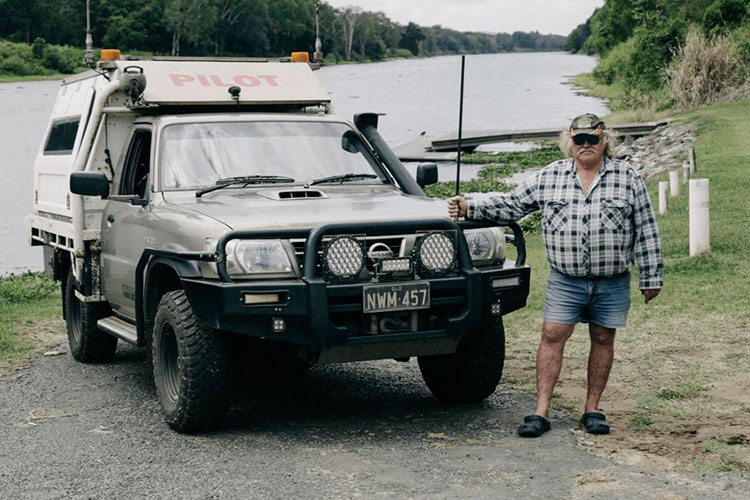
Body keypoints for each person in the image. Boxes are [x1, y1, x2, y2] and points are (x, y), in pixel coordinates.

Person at [448, 113, 663, 437]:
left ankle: (592, 409)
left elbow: (646, 229)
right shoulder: (550, 176)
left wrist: (651, 276)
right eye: (580, 139)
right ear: (570, 141)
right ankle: (541, 411)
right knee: (551, 336)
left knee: (604, 338)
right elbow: (511, 204)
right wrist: (469, 206)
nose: (587, 145)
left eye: (594, 139)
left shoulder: (629, 177)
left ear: (606, 141)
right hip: (566, 280)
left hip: (613, 280)